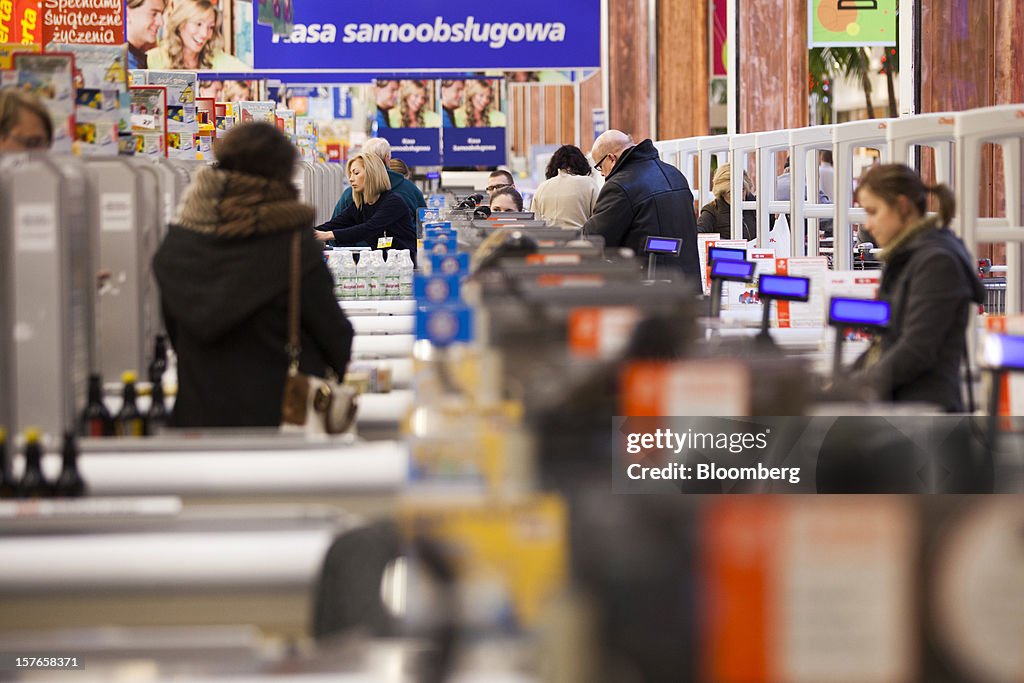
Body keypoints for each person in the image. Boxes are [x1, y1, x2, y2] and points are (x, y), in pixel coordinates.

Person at [152, 122, 353, 428]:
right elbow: (335, 336)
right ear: (284, 175)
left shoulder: (176, 246)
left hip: (197, 422)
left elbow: (176, 337)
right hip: (280, 420)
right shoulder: (294, 247)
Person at [846, 163, 984, 412]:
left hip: (925, 418)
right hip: (900, 406)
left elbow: (916, 350)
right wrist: (843, 381)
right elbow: (885, 341)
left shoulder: (937, 263)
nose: (867, 225)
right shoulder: (906, 257)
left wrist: (853, 387)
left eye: (873, 211)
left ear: (903, 207)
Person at [582, 130, 699, 278]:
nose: (602, 174)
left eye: (599, 166)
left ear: (611, 158)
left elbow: (594, 238)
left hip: (649, 289)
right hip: (686, 284)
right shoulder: (674, 174)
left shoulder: (619, 186)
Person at [314, 152, 417, 263]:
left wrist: (327, 235)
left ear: (372, 174)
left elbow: (368, 228)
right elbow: (335, 224)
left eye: (356, 173)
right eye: (350, 174)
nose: (351, 179)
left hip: (403, 266)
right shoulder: (361, 205)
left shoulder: (393, 202)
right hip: (381, 265)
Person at [331, 137, 425, 220]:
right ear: (387, 158)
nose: (351, 179)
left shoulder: (351, 194)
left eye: (356, 173)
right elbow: (424, 221)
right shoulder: (410, 189)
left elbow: (335, 228)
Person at [146, 0, 248, 71]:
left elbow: (251, 74)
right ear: (180, 24)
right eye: (198, 24)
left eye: (211, 27)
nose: (204, 34)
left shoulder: (216, 58)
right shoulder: (153, 59)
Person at [531, 144, 600, 229]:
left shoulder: (541, 188)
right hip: (581, 240)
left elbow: (534, 223)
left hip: (548, 240)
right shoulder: (589, 183)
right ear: (582, 164)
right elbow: (599, 220)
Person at [696, 163, 756, 241]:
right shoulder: (712, 211)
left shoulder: (756, 204)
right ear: (722, 192)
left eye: (742, 189)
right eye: (731, 192)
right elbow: (698, 233)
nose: (740, 195)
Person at [126, 0, 165, 69]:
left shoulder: (136, 57)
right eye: (154, 14)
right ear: (127, 14)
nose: (160, 22)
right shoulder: (120, 64)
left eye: (161, 14)